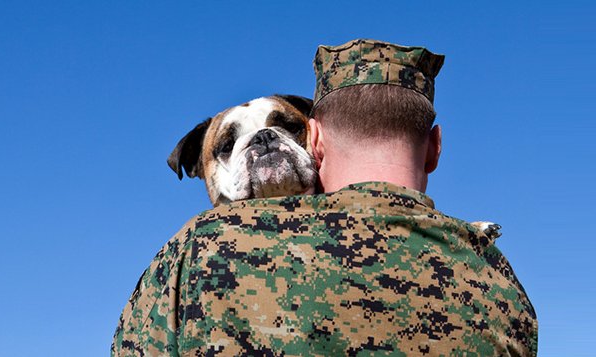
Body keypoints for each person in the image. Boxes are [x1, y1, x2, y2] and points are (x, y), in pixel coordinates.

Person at [112, 39, 537, 356]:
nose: (262, 146)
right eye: (228, 146)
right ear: (434, 148)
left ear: (314, 137)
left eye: (286, 128)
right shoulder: (496, 279)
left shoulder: (192, 255)